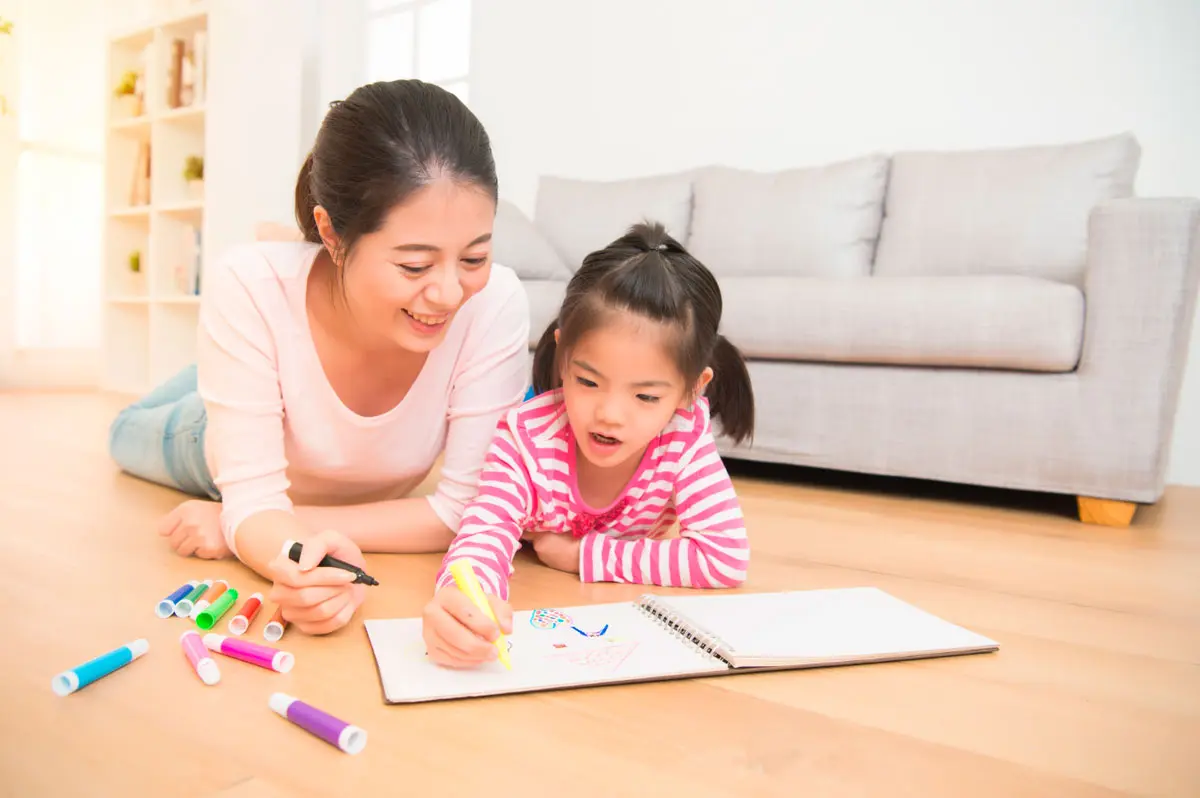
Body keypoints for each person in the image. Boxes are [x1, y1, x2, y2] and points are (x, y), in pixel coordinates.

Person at [107, 80, 531, 635]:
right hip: (201, 437)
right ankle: (230, 375)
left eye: (474, 256)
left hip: (286, 430)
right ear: (330, 230)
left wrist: (261, 528)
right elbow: (253, 498)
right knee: (123, 432)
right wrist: (256, 522)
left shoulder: (495, 302)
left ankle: (248, 366)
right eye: (414, 266)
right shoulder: (245, 281)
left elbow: (462, 510)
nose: (450, 293)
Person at [420, 221, 755, 668]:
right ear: (563, 357)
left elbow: (724, 557)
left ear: (692, 390)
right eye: (588, 381)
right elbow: (484, 535)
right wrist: (464, 603)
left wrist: (584, 555)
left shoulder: (684, 435)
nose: (609, 414)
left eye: (646, 396)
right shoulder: (525, 437)